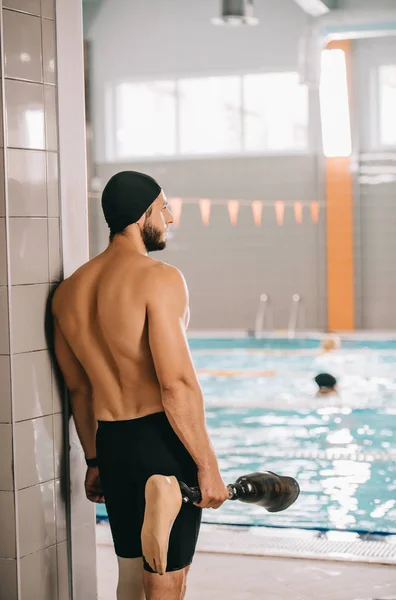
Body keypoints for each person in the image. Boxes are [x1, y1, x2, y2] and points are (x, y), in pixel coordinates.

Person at [52, 171, 229, 600]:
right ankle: (163, 491)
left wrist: (94, 461)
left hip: (113, 443)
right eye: (163, 207)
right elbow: (177, 383)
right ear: (142, 213)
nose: (170, 218)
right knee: (168, 580)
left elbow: (79, 390)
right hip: (161, 442)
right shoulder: (159, 278)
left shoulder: (68, 292)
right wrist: (207, 466)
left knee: (130, 576)